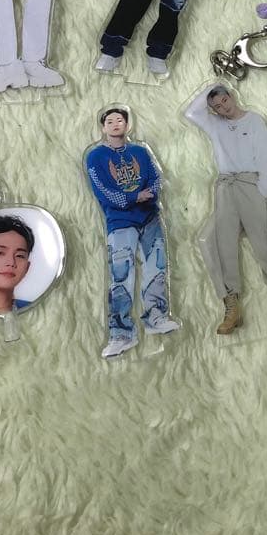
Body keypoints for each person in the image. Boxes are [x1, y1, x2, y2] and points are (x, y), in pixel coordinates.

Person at [184, 84, 267, 334]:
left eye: (224, 101)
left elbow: (266, 155)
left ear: (231, 96)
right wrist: (212, 84)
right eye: (216, 106)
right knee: (215, 241)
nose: (222, 108)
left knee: (266, 242)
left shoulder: (254, 120)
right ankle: (231, 302)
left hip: (252, 185)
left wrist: (263, 188)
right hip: (225, 187)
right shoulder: (215, 125)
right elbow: (191, 113)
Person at [85, 107, 179, 358]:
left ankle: (157, 317)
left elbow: (155, 178)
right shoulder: (95, 156)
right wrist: (133, 197)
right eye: (110, 121)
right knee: (121, 275)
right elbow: (102, 190)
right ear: (103, 127)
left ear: (127, 125)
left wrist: (150, 194)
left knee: (156, 267)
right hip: (120, 222)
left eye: (120, 120)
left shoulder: (140, 152)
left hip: (149, 217)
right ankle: (121, 334)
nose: (115, 124)